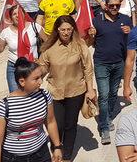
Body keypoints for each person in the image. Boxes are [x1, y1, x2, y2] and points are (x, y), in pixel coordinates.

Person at [38, 15, 96, 162]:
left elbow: (88, 69)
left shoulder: (80, 45)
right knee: (56, 126)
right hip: (55, 92)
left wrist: (90, 90)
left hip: (76, 91)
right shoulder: (49, 48)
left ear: (73, 30)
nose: (65, 32)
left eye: (69, 29)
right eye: (63, 29)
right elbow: (43, 67)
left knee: (70, 126)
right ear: (57, 30)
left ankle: (67, 157)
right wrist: (36, 73)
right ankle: (56, 152)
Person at [0, 57, 63, 162]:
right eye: (36, 78)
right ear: (22, 81)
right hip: (13, 158)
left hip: (41, 154)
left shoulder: (45, 96)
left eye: (41, 77)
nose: (41, 81)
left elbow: (51, 121)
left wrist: (57, 147)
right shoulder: (5, 106)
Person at [86, 0, 133, 145]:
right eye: (111, 5)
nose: (114, 8)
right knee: (104, 94)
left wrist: (130, 32)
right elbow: (90, 43)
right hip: (101, 63)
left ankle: (106, 117)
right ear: (105, 5)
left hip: (119, 62)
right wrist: (91, 35)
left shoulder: (125, 20)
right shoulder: (96, 21)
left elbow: (131, 42)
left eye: (117, 5)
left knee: (113, 93)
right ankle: (104, 127)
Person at [0, 5, 41, 92]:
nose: (17, 15)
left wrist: (42, 59)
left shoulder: (35, 27)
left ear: (24, 14)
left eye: (19, 13)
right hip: (14, 68)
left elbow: (48, 42)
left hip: (32, 67)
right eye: (14, 14)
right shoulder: (6, 32)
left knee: (32, 95)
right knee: (16, 95)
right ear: (11, 17)